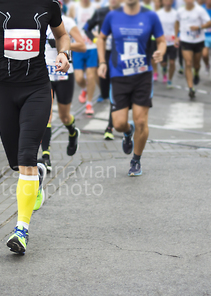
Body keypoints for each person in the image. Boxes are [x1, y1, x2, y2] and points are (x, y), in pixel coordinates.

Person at [0, 0, 71, 254]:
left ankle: (21, 230)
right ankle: (35, 175)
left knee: (26, 156)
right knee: (16, 162)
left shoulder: (49, 5)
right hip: (4, 89)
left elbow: (62, 35)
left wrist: (63, 54)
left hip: (37, 89)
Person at [97, 0, 167, 176]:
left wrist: (161, 51)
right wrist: (103, 62)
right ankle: (128, 133)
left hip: (143, 76)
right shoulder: (113, 16)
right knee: (119, 124)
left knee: (141, 121)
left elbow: (162, 40)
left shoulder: (150, 16)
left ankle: (136, 160)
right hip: (119, 76)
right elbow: (101, 38)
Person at [39, 0, 86, 178]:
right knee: (46, 114)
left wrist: (62, 46)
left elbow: (82, 45)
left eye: (57, 4)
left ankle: (73, 131)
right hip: (46, 75)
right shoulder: (39, 20)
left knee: (65, 115)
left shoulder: (68, 23)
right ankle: (46, 155)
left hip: (65, 75)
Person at [83, 0, 122, 140]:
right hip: (103, 54)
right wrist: (95, 40)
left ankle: (109, 127)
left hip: (119, 55)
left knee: (115, 91)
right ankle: (104, 95)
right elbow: (86, 27)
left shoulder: (126, 13)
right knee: (105, 90)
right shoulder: (100, 12)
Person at [174, 0, 211, 99]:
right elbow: (177, 22)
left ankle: (196, 73)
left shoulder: (200, 10)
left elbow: (210, 23)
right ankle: (191, 88)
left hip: (198, 40)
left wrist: (199, 27)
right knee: (188, 63)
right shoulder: (180, 11)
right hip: (185, 40)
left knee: (196, 64)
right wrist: (176, 36)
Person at [68, 0, 98, 115]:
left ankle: (89, 103)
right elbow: (68, 24)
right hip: (79, 47)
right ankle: (84, 89)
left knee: (91, 76)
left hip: (92, 47)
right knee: (79, 78)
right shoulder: (73, 7)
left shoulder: (96, 7)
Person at [157, 0, 178, 88]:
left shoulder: (176, 13)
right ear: (162, 2)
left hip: (173, 42)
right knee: (163, 63)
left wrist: (177, 37)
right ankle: (164, 69)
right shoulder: (158, 13)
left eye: (170, 1)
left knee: (172, 62)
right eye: (166, 1)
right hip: (162, 42)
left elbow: (179, 26)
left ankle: (169, 80)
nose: (168, 2)